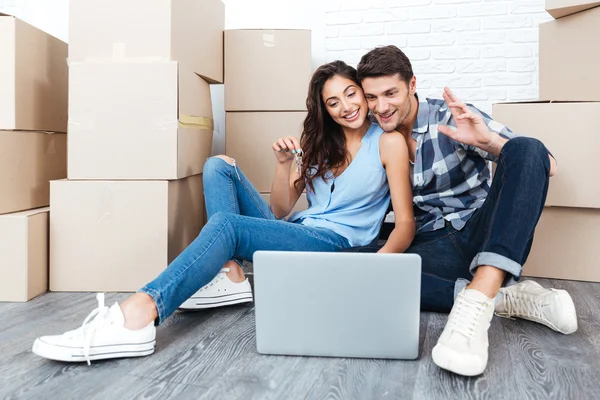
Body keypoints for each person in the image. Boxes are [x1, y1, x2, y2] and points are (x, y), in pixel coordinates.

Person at [30, 60, 416, 364]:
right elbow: (281, 210)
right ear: (324, 109)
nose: (346, 107)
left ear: (364, 96)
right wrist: (284, 165)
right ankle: (232, 276)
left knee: (228, 225)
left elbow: (405, 224)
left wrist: (371, 275)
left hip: (335, 245)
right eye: (334, 102)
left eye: (352, 94)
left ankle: (140, 313)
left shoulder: (388, 143)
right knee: (218, 165)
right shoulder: (319, 144)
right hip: (299, 230)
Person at [350, 45, 578, 377]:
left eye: (390, 93)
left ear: (412, 84)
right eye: (371, 97)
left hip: (480, 233)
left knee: (528, 147)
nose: (381, 107)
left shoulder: (451, 116)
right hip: (431, 242)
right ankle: (503, 298)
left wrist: (487, 143)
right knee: (349, 269)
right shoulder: (371, 135)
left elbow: (547, 165)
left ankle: (480, 294)